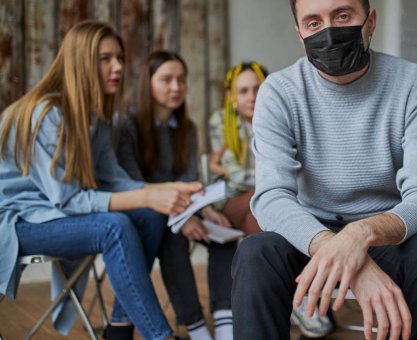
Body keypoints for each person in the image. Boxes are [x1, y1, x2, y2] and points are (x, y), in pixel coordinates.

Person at [231, 1, 417, 339]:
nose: (328, 31)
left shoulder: (414, 84)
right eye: (313, 22)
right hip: (311, 234)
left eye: (343, 16)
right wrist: (340, 251)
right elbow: (271, 198)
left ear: (370, 21)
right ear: (300, 34)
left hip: (386, 233)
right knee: (255, 253)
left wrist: (359, 237)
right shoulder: (279, 92)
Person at [0, 21, 201, 340]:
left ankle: (119, 329)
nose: (119, 66)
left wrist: (167, 191)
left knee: (149, 217)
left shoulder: (96, 118)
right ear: (80, 61)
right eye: (105, 58)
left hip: (51, 215)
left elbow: (114, 180)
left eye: (119, 57)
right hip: (17, 222)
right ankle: (159, 336)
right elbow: (67, 199)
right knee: (115, 226)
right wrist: (147, 196)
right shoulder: (46, 115)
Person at [115, 51, 236, 340]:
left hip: (182, 207)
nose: (176, 87)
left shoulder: (187, 129)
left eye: (181, 80)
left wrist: (205, 212)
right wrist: (181, 218)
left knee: (223, 231)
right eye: (166, 79)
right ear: (148, 83)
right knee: (174, 236)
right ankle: (194, 326)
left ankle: (224, 321)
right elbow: (131, 182)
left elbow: (189, 180)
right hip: (143, 213)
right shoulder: (127, 125)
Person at [207, 62, 269, 235]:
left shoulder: (277, 119)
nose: (252, 97)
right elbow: (236, 176)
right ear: (231, 95)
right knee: (263, 203)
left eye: (258, 89)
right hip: (231, 196)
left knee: (255, 216)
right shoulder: (220, 121)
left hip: (265, 194)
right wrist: (270, 181)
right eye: (243, 91)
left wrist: (224, 170)